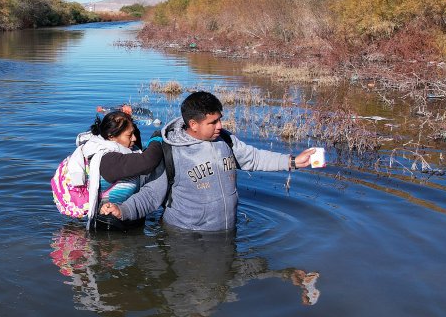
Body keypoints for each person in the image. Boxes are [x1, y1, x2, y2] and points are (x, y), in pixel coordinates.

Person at [100, 91, 317, 232]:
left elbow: (253, 158)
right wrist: (123, 210)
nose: (220, 126)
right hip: (185, 238)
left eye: (219, 119)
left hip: (227, 232)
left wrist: (293, 161)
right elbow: (151, 195)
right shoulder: (170, 150)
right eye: (213, 122)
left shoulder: (225, 140)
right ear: (193, 124)